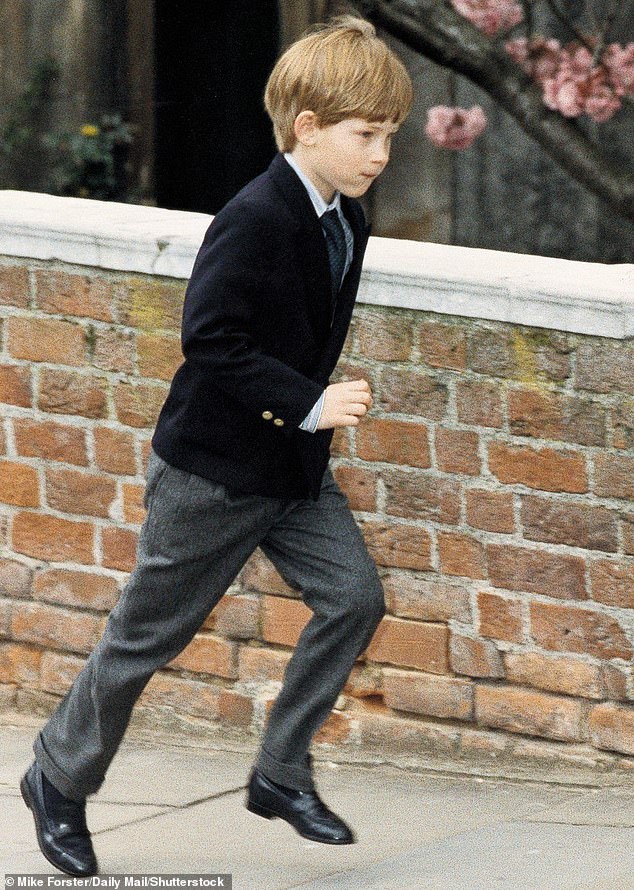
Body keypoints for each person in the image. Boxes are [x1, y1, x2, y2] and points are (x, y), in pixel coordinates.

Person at [20, 15, 413, 876]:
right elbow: (212, 339)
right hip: (213, 471)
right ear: (307, 128)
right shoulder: (256, 215)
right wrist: (309, 402)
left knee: (353, 598)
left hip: (293, 472)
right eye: (365, 135)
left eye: (389, 135)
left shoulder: (347, 217)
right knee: (146, 639)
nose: (380, 153)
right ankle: (58, 776)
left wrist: (309, 420)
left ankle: (279, 771)